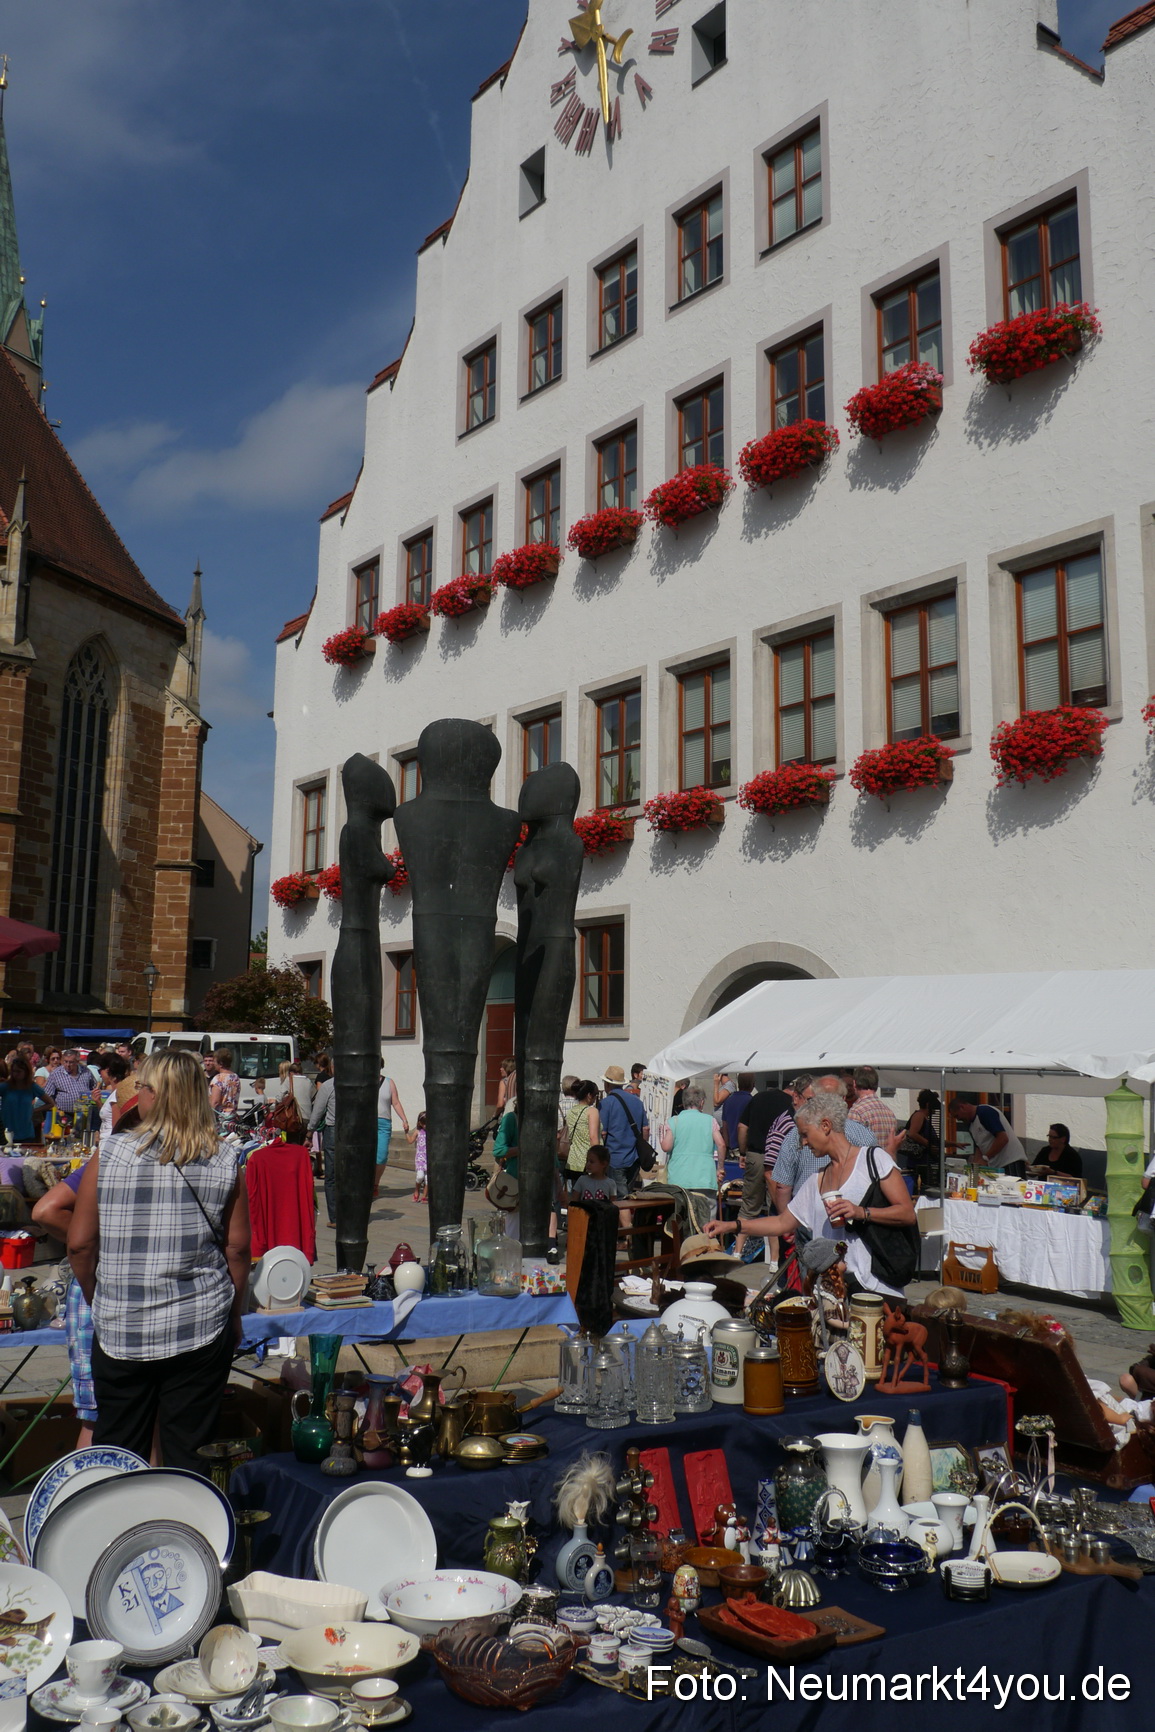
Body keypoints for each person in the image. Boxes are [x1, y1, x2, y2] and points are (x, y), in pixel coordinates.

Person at [67, 1049, 251, 1474]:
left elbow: (79, 1244)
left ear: (163, 1095)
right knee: (191, 1450)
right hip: (199, 1322)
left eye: (146, 1086)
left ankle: (120, 1533)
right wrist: (236, 1314)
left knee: (118, 1448)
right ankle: (190, 1533)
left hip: (121, 1325)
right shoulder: (224, 1158)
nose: (140, 1094)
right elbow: (238, 1249)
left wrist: (100, 1296)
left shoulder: (110, 1154)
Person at [706, 1089, 916, 1299]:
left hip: (874, 1289)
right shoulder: (817, 1179)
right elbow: (782, 1223)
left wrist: (861, 1212)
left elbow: (907, 1213)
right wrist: (733, 1226)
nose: (803, 1143)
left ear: (825, 1126)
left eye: (805, 1134)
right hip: (830, 1293)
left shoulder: (873, 1160)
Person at [32, 1164, 97, 1446]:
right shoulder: (204, 1153)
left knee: (95, 1416)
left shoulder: (113, 1152)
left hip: (96, 1289)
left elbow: (46, 1211)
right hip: (167, 1299)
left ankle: (91, 1487)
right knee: (152, 1417)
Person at [772, 1075, 875, 1251]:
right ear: (843, 1100)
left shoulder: (795, 1135)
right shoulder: (863, 1133)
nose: (806, 1141)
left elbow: (783, 1185)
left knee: (813, 1274)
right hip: (854, 1216)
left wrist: (787, 1221)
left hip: (807, 1216)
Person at [660, 1085, 725, 1198]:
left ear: (684, 1102)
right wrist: (720, 1168)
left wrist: (661, 1136)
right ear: (701, 1102)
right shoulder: (710, 1120)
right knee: (707, 1213)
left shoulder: (674, 1121)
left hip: (679, 1177)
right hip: (704, 1178)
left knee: (682, 1213)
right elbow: (721, 1145)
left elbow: (666, 1147)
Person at [598, 1066, 649, 1189]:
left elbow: (603, 1133)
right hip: (635, 1157)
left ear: (607, 1084)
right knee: (629, 1195)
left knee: (619, 1199)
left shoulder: (605, 1103)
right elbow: (645, 1129)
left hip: (614, 1157)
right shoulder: (637, 1101)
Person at [953, 1097, 1026, 1176]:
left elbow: (1003, 1139)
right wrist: (975, 1167)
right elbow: (979, 1148)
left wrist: (985, 1158)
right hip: (997, 1165)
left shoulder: (985, 1112)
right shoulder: (971, 1125)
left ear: (962, 1107)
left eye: (957, 1115)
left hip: (1011, 1161)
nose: (958, 1119)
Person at [307, 1064, 337, 1227]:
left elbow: (318, 1110)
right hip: (354, 1132)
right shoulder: (357, 1085)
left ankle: (335, 1218)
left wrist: (310, 1132)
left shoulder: (329, 1085)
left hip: (333, 1130)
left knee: (331, 1176)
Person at [375, 1071, 411, 1197]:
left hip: (384, 1123)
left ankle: (375, 1183)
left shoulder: (388, 1082)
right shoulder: (364, 1080)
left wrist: (404, 1119)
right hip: (366, 1122)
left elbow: (395, 1102)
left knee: (382, 1155)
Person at [0, 1055, 50, 1143]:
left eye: (18, 1071)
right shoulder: (6, 1086)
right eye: (14, 1071)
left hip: (26, 1133)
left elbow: (50, 1103)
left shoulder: (32, 1087)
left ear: (26, 1072)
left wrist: (34, 1110)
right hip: (7, 1133)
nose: (15, 1074)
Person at [44, 1050, 98, 1124]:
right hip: (64, 1114)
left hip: (84, 1113)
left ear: (77, 1061)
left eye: (71, 1062)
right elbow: (47, 1095)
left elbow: (94, 1087)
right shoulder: (56, 1074)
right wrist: (56, 1108)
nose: (68, 1065)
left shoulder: (86, 1071)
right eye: (65, 1062)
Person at [847, 1067, 897, 1145]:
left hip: (866, 1157)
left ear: (854, 1084)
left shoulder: (856, 1111)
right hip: (885, 1156)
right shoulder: (889, 1112)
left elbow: (851, 1146)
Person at [560, 1080, 600, 1177]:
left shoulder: (572, 1111)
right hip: (587, 1162)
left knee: (574, 1191)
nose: (596, 1098)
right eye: (596, 1095)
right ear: (589, 1095)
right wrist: (598, 1160)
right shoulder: (592, 1111)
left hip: (572, 1161)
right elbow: (593, 1137)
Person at [900, 1089, 941, 1177]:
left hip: (926, 1163)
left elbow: (934, 1140)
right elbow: (912, 1133)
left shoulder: (925, 1119)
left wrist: (954, 1144)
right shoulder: (919, 1115)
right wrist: (929, 1145)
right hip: (918, 1164)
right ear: (928, 1104)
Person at [96, 1054, 131, 1153]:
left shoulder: (117, 1095)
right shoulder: (117, 1092)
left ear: (107, 1071)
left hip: (109, 1146)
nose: (99, 1075)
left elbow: (116, 1127)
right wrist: (98, 1102)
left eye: (100, 1071)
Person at [208, 1047, 240, 1132]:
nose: (213, 1063)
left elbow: (215, 1102)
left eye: (215, 1061)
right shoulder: (235, 1077)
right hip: (232, 1118)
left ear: (220, 1063)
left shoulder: (218, 1079)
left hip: (220, 1120)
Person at [721, 1073, 755, 1153]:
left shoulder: (728, 1101)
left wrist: (727, 1147)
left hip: (731, 1148)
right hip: (746, 1148)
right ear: (752, 1084)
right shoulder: (752, 1101)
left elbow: (725, 1127)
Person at [408, 1112, 428, 1203]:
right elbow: (410, 1140)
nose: (425, 1126)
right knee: (420, 1176)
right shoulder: (418, 1131)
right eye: (424, 1123)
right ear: (420, 1123)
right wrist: (406, 1132)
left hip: (428, 1158)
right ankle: (416, 1190)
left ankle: (424, 1196)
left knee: (428, 1180)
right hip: (420, 1158)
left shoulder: (431, 1132)